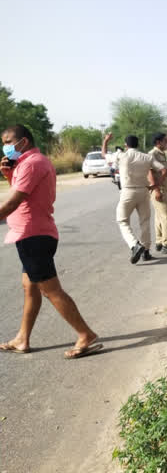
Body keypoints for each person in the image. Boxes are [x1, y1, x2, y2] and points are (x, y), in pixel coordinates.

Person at [0, 125, 102, 359]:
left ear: (23, 142)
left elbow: (12, 203)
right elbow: (25, 195)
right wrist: (8, 175)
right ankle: (22, 339)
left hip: (33, 236)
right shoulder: (29, 163)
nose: (5, 146)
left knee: (51, 291)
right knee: (30, 288)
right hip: (29, 234)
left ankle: (86, 334)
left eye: (7, 141)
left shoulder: (32, 163)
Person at [102, 133, 167, 264]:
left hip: (127, 191)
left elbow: (104, 154)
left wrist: (106, 140)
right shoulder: (146, 157)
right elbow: (164, 169)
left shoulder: (121, 155)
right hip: (143, 191)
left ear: (126, 145)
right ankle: (146, 252)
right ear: (137, 144)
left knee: (122, 220)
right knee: (145, 221)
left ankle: (134, 245)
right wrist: (156, 185)